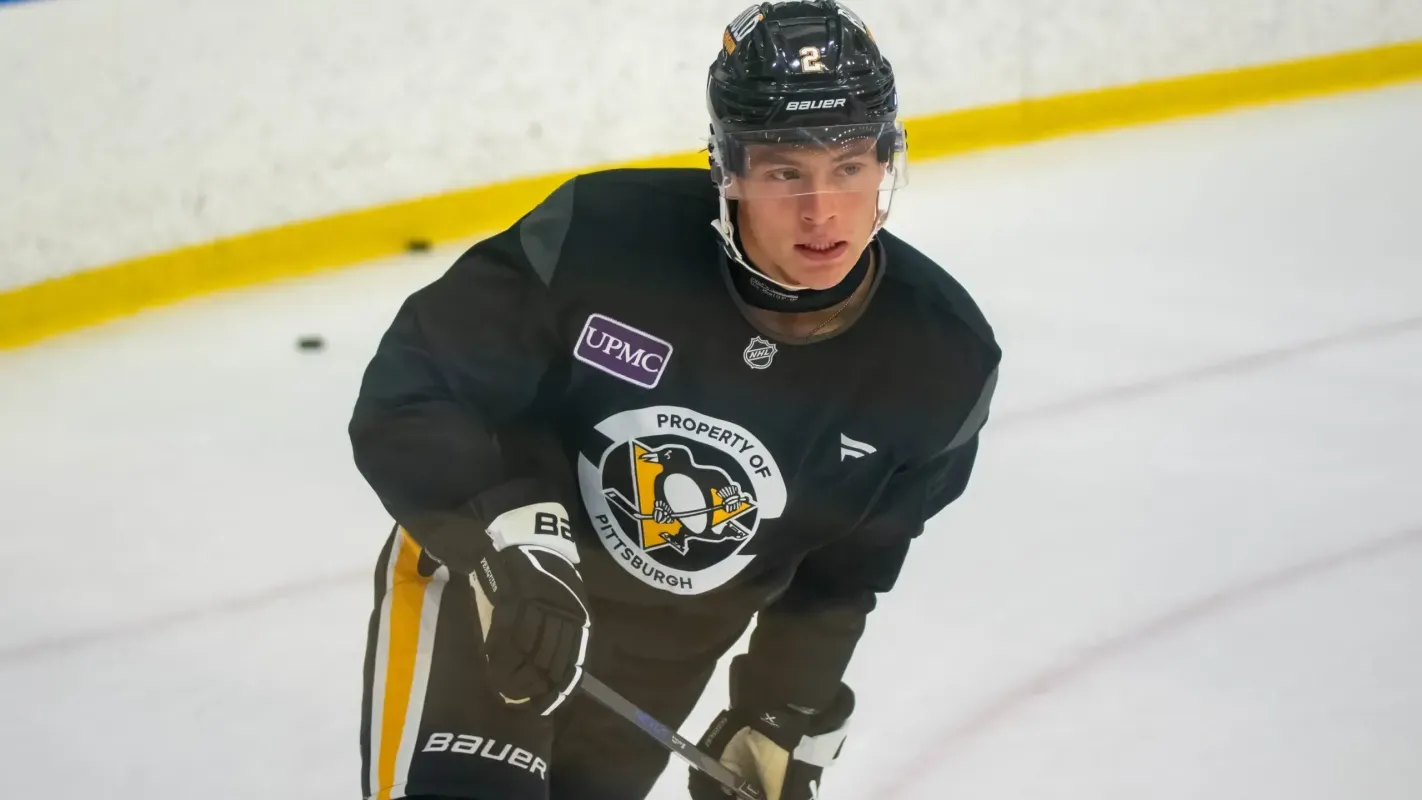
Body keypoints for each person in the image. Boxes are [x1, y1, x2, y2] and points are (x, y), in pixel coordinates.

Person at [347, 2, 1001, 799]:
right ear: (727, 167)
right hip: (491, 593)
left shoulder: (940, 360)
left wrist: (782, 708)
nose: (822, 213)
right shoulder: (598, 239)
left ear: (888, 161)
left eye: (850, 166)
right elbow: (416, 384)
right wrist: (511, 537)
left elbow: (846, 565)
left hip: (655, 668)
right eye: (785, 172)